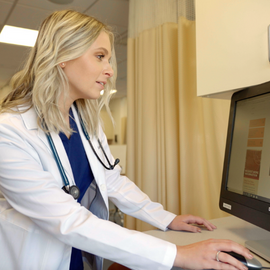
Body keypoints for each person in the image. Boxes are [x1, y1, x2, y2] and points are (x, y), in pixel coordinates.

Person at [0, 9, 252, 270]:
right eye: (100, 56)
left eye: (108, 58)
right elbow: (68, 220)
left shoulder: (84, 120)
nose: (109, 70)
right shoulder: (9, 132)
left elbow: (112, 179)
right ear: (62, 55)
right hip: (38, 258)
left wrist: (166, 219)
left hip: (79, 254)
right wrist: (177, 255)